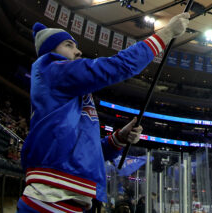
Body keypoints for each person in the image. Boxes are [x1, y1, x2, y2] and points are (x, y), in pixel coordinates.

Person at [17, 13, 189, 212]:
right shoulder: (52, 69)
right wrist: (166, 33)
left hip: (65, 201)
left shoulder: (68, 96)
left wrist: (119, 138)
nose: (78, 51)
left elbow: (89, 152)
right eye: (68, 45)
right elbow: (118, 66)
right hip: (51, 200)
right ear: (49, 52)